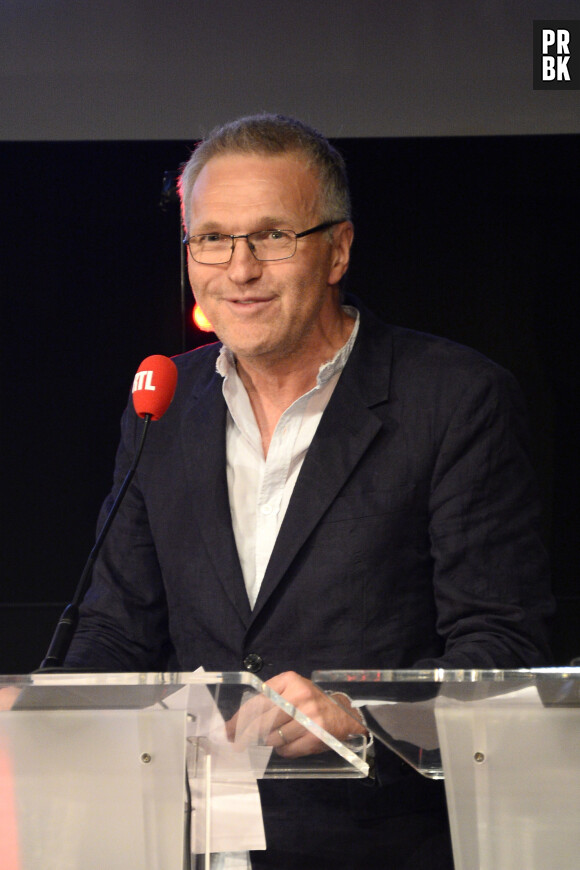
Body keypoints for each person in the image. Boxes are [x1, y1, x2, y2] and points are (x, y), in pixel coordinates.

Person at [65, 114, 554, 869]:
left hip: (379, 844)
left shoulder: (454, 399)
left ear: (338, 250)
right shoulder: (162, 402)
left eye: (272, 236)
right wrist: (47, 714)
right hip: (197, 846)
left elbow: (502, 654)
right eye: (213, 239)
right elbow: (114, 632)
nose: (240, 269)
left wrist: (360, 714)